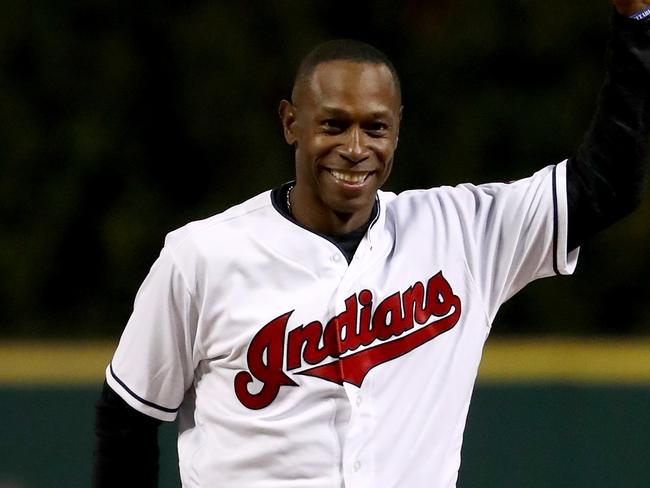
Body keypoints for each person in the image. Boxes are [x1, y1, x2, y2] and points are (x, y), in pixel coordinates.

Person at [93, 2, 650, 487]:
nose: (355, 147)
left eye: (375, 128)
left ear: (398, 128)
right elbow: (128, 418)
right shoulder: (202, 256)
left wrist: (637, 21)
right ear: (292, 122)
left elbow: (607, 184)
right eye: (333, 125)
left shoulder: (462, 232)